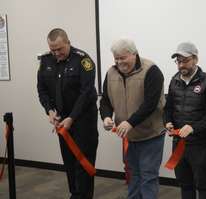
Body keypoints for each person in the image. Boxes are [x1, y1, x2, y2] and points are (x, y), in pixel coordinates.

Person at [99, 39, 165, 199]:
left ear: (134, 54)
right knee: (132, 176)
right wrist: (106, 116)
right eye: (116, 58)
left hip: (151, 135)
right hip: (128, 136)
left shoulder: (152, 71)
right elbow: (105, 100)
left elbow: (151, 104)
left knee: (148, 177)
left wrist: (130, 122)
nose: (119, 62)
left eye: (123, 57)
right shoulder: (111, 73)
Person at [37, 28, 98, 198]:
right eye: (52, 49)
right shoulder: (46, 60)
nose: (56, 53)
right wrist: (49, 110)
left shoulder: (83, 60)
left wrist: (72, 117)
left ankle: (83, 196)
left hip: (83, 120)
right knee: (69, 161)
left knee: (83, 161)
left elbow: (86, 93)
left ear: (68, 42)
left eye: (60, 49)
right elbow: (42, 89)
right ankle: (75, 193)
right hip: (62, 120)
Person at [164, 42, 206, 199]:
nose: (181, 65)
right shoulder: (174, 80)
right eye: (178, 61)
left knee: (202, 184)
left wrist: (193, 127)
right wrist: (167, 122)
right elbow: (168, 108)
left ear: (195, 59)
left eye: (185, 60)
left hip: (200, 143)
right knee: (184, 183)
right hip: (178, 142)